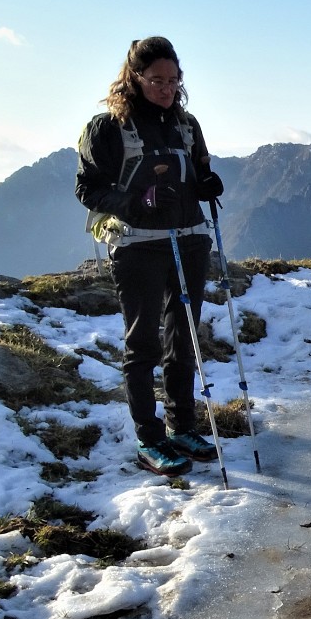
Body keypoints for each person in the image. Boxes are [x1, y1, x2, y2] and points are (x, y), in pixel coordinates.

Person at [75, 37, 226, 477]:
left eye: (173, 80)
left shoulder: (187, 124)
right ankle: (149, 437)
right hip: (138, 244)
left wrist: (206, 184)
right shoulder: (107, 129)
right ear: (134, 78)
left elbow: (197, 174)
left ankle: (182, 427)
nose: (165, 88)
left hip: (190, 239)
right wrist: (135, 202)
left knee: (184, 338)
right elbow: (88, 189)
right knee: (142, 343)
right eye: (156, 79)